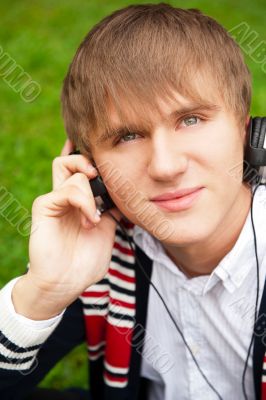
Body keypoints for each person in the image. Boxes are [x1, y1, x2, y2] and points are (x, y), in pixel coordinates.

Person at [0, 3, 265, 400]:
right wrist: (45, 290)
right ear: (92, 169)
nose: (166, 166)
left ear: (247, 131)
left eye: (190, 119)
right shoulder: (104, 256)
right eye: (127, 136)